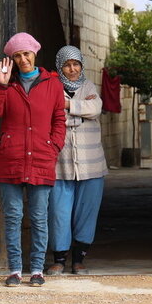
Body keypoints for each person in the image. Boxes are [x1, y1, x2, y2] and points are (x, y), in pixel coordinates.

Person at [0, 32, 66, 287]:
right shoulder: (8, 85)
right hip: (11, 159)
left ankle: (38, 270)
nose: (22, 59)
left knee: (39, 217)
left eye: (26, 54)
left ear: (35, 53)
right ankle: (15, 270)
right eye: (17, 56)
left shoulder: (53, 83)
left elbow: (59, 120)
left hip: (41, 158)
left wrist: (53, 147)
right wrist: (1, 84)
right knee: (13, 216)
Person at [47, 45, 107, 276]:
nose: (72, 69)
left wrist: (68, 106)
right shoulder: (51, 88)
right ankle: (59, 259)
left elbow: (95, 108)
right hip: (60, 165)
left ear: (81, 65)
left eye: (75, 64)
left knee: (87, 212)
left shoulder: (90, 86)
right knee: (59, 213)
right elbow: (50, 113)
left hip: (91, 164)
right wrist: (79, 112)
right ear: (60, 67)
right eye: (67, 65)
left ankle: (79, 260)